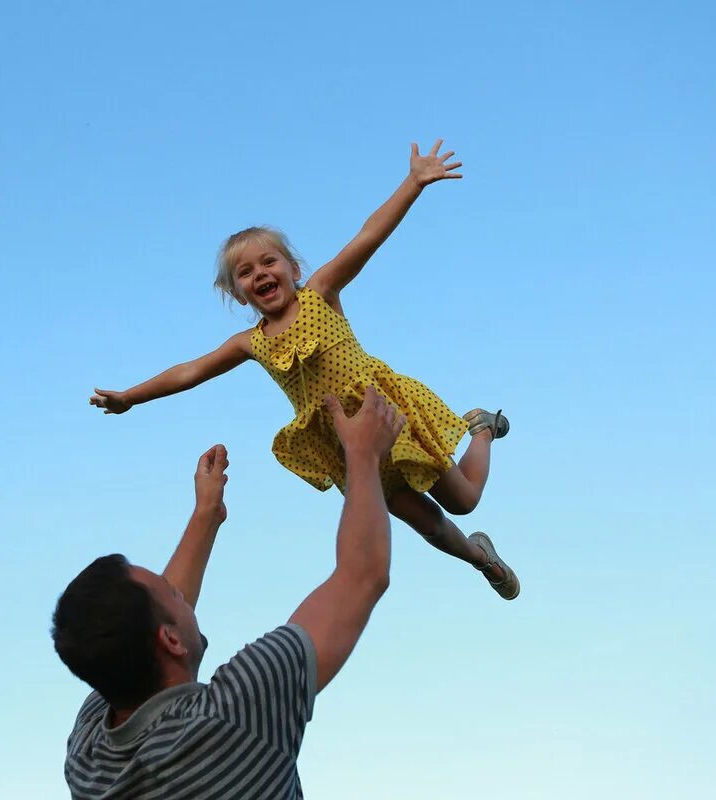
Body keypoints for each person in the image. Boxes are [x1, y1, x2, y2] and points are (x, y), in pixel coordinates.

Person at [89, 140, 519, 599]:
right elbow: (190, 371)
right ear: (239, 294)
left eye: (268, 262)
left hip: (388, 420)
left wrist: (412, 183)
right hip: (349, 447)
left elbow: (367, 237)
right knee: (427, 525)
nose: (260, 274)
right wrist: (131, 396)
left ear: (292, 269)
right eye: (246, 273)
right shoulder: (249, 343)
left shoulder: (321, 293)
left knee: (464, 501)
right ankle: (480, 558)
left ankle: (481, 430)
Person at [54, 388, 410, 798]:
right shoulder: (234, 714)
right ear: (168, 640)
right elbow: (362, 576)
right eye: (169, 589)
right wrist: (364, 454)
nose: (179, 591)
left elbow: (147, 623)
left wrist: (206, 515)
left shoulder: (89, 756)